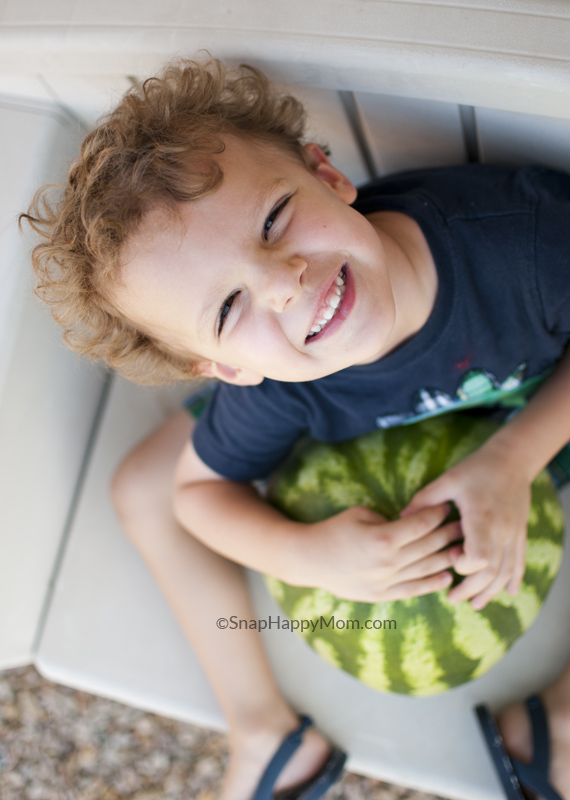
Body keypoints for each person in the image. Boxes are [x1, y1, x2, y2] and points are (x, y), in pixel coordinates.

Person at [21, 57, 570, 800]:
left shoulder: (526, 245)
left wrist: (513, 460)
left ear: (327, 174)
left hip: (541, 408)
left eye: (274, 220)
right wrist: (312, 557)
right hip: (364, 412)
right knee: (144, 489)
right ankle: (264, 730)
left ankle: (560, 722)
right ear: (225, 368)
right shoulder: (280, 385)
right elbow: (196, 495)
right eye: (227, 310)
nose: (285, 283)